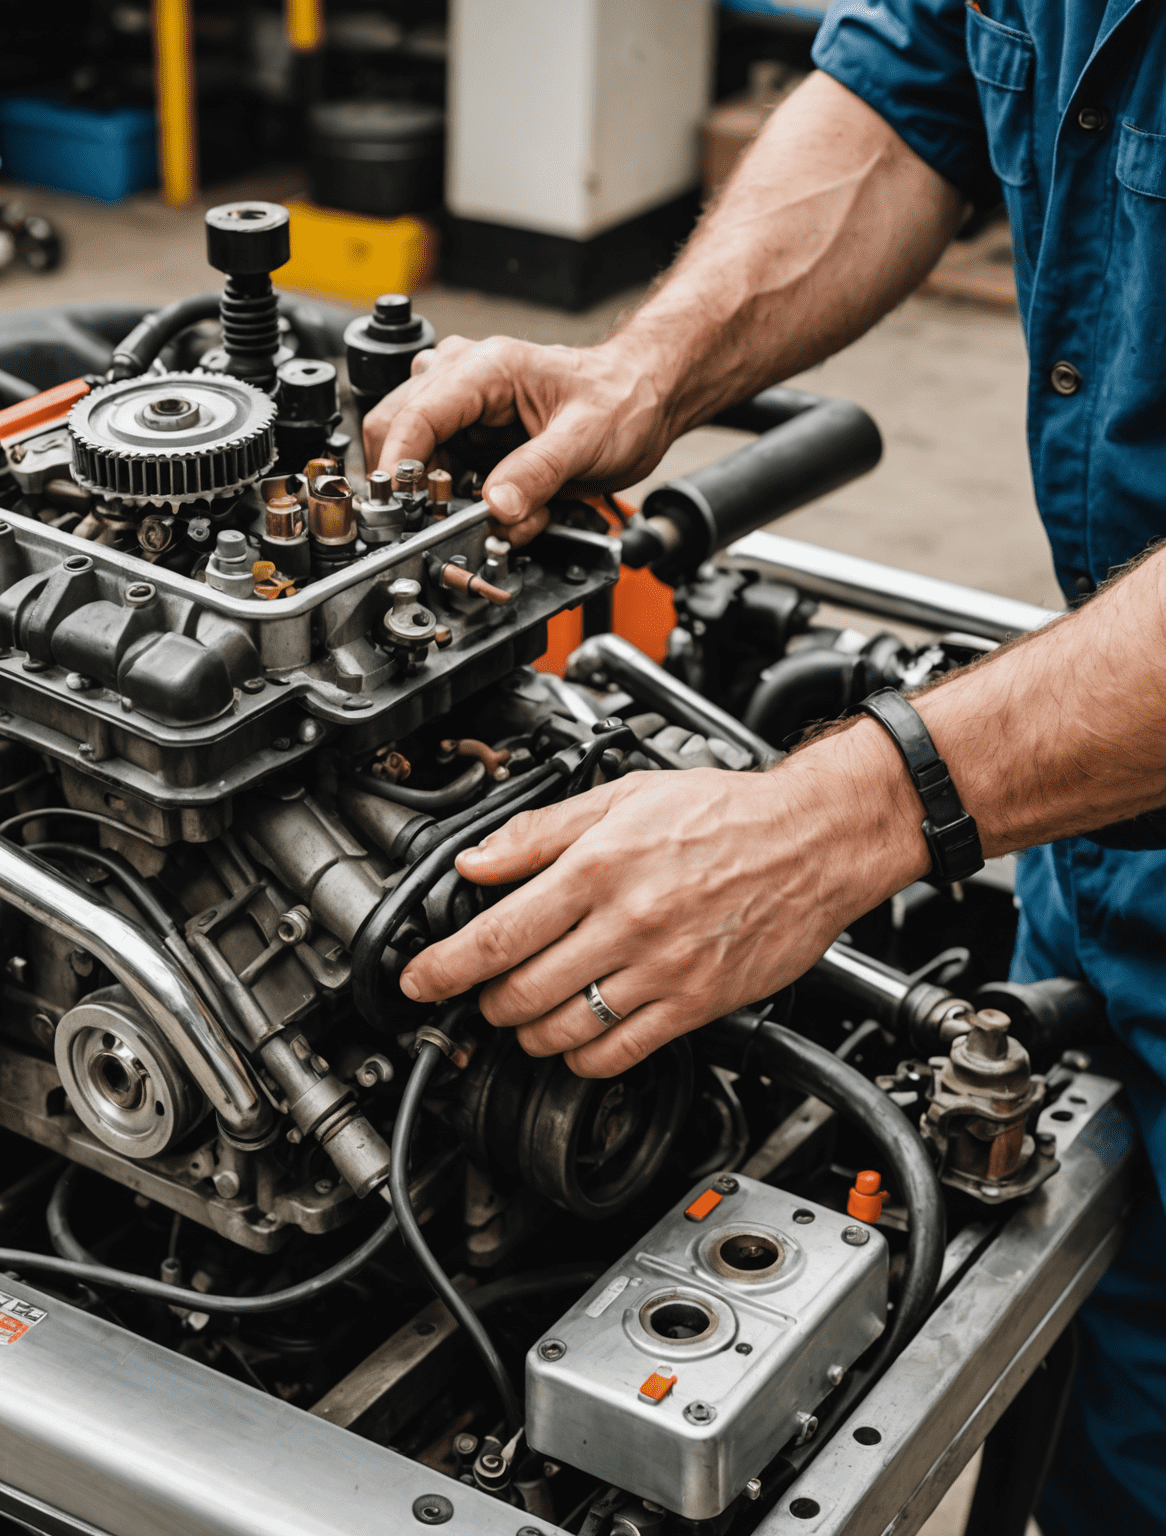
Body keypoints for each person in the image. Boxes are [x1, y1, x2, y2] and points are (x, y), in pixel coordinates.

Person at [363, 1, 1166, 1530]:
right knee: (1086, 1425)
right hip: (1107, 802)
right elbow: (912, 92)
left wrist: (833, 821)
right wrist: (651, 368)